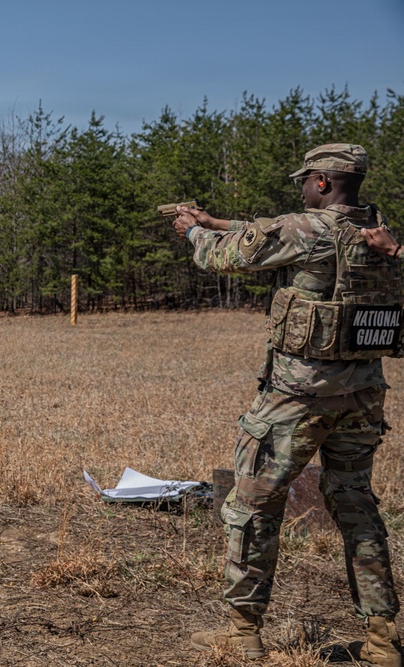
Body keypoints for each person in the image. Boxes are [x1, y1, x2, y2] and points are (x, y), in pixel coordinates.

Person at [172, 143, 402, 665]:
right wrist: (216, 217)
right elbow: (270, 229)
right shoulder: (378, 233)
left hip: (297, 398)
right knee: (357, 507)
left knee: (252, 507)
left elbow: (223, 255)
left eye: (305, 180)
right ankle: (383, 640)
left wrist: (193, 230)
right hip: (363, 396)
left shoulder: (309, 229)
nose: (301, 187)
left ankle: (243, 632)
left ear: (321, 182)